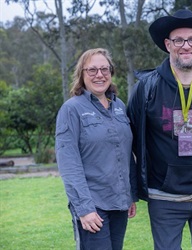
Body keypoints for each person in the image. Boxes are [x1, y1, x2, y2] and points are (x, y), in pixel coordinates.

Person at [127, 9, 192, 250]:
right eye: (178, 40)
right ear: (167, 44)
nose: (185, 46)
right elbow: (129, 139)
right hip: (164, 198)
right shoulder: (147, 88)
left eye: (191, 39)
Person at [55, 48, 137, 250]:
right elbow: (69, 163)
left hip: (119, 203)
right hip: (93, 205)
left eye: (104, 69)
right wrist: (84, 209)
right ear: (81, 75)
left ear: (111, 72)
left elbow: (126, 155)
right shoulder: (71, 109)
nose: (99, 75)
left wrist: (130, 195)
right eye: (92, 70)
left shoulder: (119, 107)